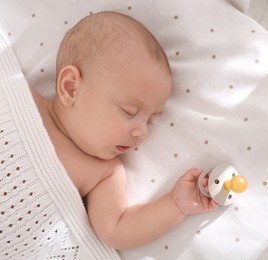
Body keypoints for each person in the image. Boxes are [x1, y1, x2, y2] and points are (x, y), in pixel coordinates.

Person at [31, 11, 219, 250]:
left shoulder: (104, 173)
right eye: (130, 112)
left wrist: (177, 204)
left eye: (150, 121)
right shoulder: (21, 97)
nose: (143, 132)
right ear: (71, 87)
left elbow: (116, 230)